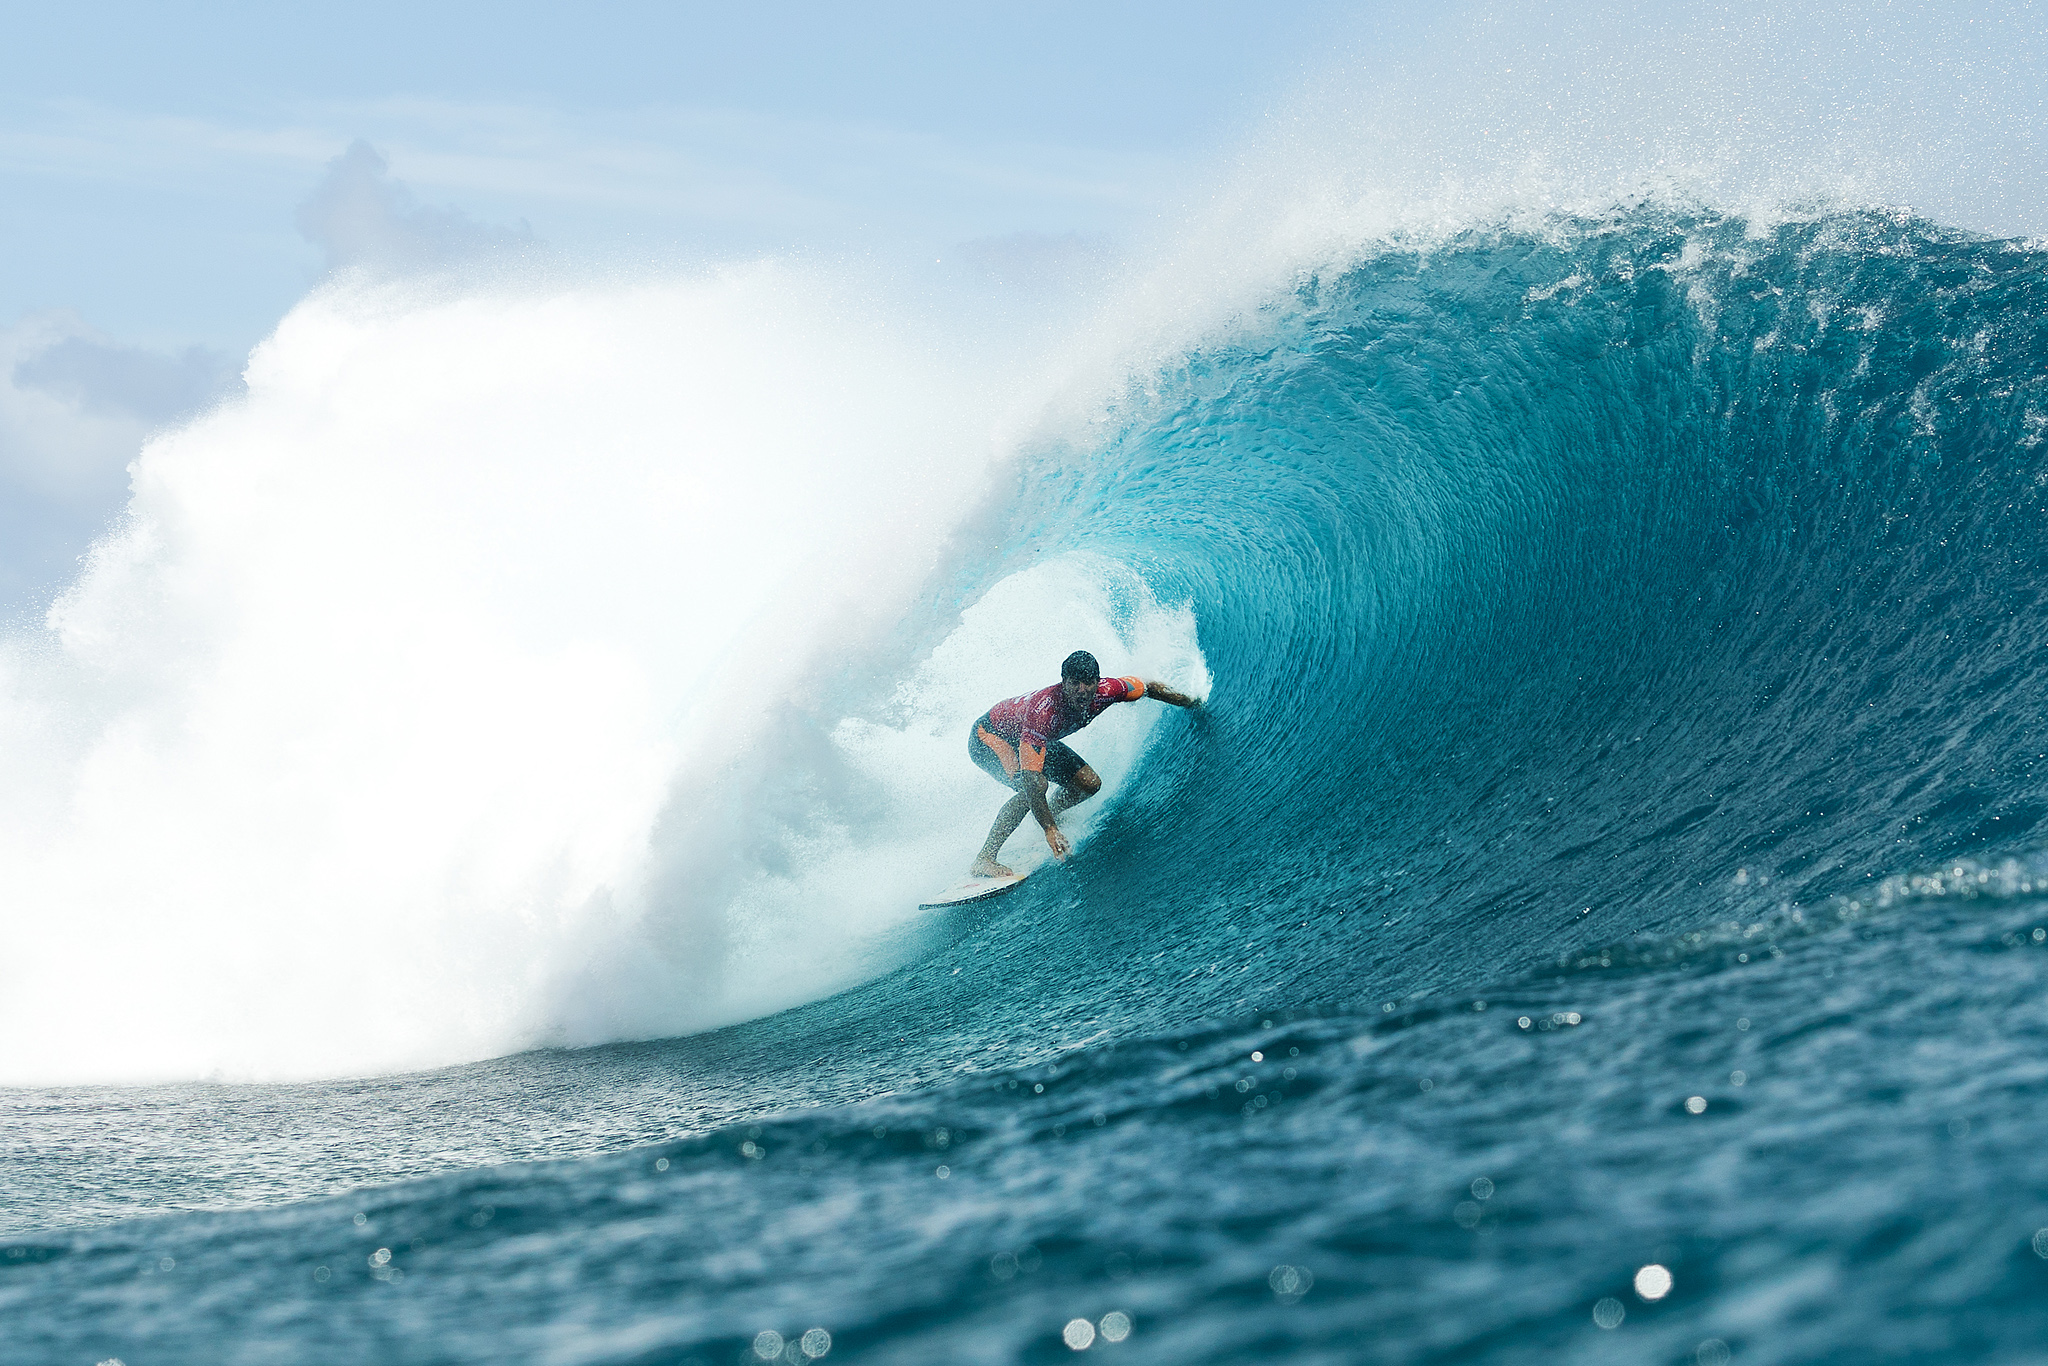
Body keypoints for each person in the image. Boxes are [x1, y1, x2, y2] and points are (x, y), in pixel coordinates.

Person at [966, 649, 1200, 876]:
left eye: (1088, 682)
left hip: (1032, 737)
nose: (1082, 690)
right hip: (990, 737)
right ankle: (984, 859)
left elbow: (1148, 687)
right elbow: (1031, 780)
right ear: (1063, 682)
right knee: (1032, 789)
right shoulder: (1044, 714)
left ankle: (1051, 814)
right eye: (1074, 683)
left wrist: (1190, 701)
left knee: (1088, 783)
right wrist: (1051, 831)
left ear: (1098, 682)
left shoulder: (1108, 690)